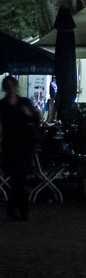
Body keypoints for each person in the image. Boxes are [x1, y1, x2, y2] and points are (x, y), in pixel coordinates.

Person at [1, 75, 41, 220]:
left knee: (19, 179)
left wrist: (29, 114)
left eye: (13, 85)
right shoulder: (3, 105)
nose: (11, 89)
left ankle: (17, 210)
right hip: (10, 146)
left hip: (24, 146)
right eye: (8, 86)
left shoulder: (24, 103)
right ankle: (20, 210)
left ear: (16, 87)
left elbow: (36, 119)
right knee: (17, 179)